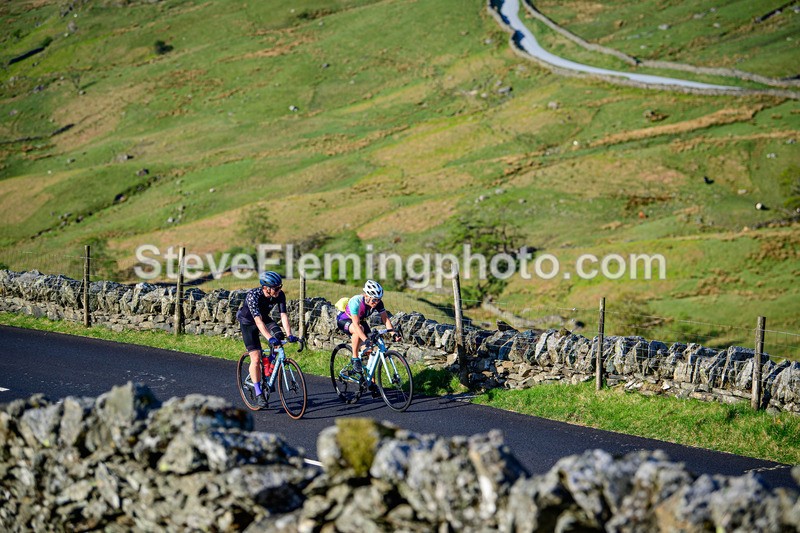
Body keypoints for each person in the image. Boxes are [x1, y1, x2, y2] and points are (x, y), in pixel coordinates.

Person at [237, 271, 298, 408]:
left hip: (264, 319)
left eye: (280, 287)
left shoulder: (279, 295)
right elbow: (258, 322)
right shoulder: (253, 296)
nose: (279, 290)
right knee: (256, 357)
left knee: (279, 337)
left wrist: (289, 334)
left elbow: (283, 316)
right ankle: (259, 393)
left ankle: (268, 367)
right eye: (276, 288)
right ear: (266, 288)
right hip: (248, 323)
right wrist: (269, 338)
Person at [336, 280, 401, 396]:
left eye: (378, 299)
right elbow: (355, 325)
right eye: (374, 299)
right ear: (366, 295)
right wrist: (366, 339)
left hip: (361, 322)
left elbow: (385, 320)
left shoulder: (378, 303)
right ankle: (355, 358)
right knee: (359, 329)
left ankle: (371, 383)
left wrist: (393, 333)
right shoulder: (356, 301)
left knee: (371, 352)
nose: (376, 302)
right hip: (345, 320)